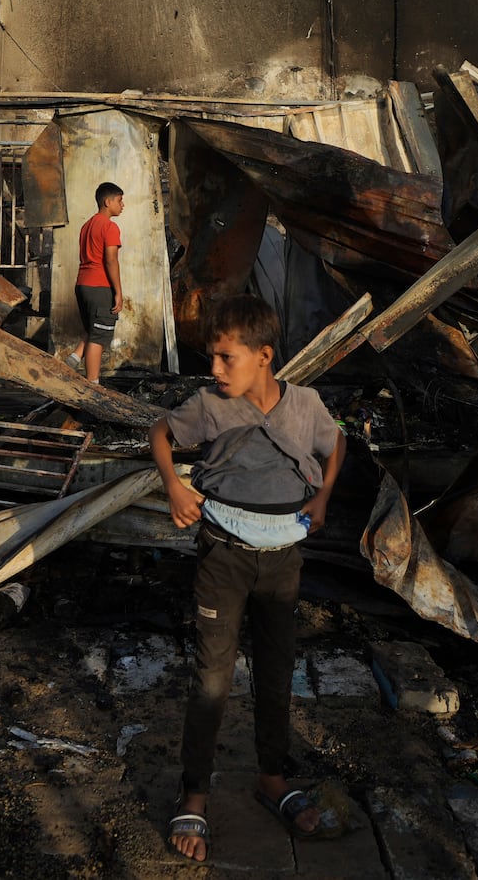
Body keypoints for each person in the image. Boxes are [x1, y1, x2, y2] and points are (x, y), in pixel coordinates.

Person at [150, 295, 347, 864]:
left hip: (283, 560)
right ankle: (195, 793)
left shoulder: (305, 405)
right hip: (225, 557)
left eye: (225, 358)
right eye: (211, 358)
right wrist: (174, 486)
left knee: (277, 669)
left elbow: (337, 446)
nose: (214, 370)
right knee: (212, 676)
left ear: (264, 357)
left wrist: (325, 495)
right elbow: (159, 434)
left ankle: (271, 777)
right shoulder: (210, 407)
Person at [64, 182, 126, 383]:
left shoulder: (87, 225)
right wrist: (118, 291)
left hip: (82, 284)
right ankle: (93, 384)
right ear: (108, 202)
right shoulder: (110, 227)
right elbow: (111, 260)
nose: (122, 205)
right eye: (119, 200)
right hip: (100, 287)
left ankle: (73, 359)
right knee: (99, 338)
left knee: (92, 329)